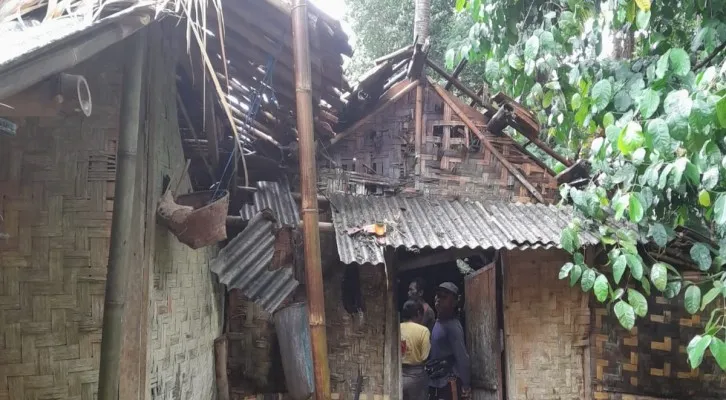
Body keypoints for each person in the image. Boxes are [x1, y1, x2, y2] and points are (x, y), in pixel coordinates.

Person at [427, 282, 470, 400]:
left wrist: (466, 384)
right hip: (436, 383)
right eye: (437, 295)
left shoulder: (453, 326)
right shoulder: (438, 322)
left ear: (455, 302)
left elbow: (462, 358)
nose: (438, 299)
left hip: (449, 384)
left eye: (444, 296)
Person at [401, 300, 431, 400]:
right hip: (417, 376)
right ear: (418, 313)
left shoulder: (396, 328)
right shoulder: (423, 330)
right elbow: (424, 356)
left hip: (398, 375)